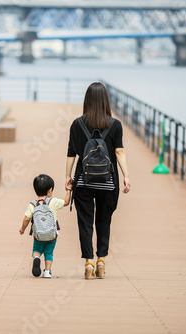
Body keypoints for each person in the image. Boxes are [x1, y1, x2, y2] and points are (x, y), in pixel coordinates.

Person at [65, 82, 131, 279]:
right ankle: (101, 260)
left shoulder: (77, 124)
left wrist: (68, 177)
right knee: (104, 222)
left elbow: (71, 153)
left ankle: (88, 264)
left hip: (84, 181)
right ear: (106, 101)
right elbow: (119, 151)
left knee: (85, 222)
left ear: (87, 100)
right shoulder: (115, 124)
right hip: (108, 182)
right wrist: (126, 175)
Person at [19, 174, 72, 278]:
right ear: (50, 190)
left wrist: (22, 229)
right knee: (49, 252)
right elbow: (66, 202)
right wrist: (68, 190)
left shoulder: (33, 204)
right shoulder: (53, 201)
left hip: (38, 235)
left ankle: (36, 258)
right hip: (52, 235)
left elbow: (26, 219)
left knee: (36, 250)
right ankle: (47, 271)